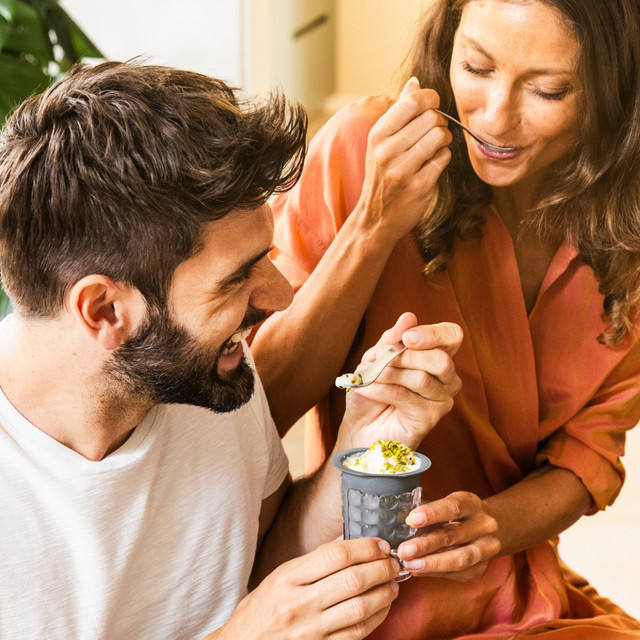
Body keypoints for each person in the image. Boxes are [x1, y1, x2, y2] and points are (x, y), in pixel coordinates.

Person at [0, 61, 463, 639]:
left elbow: (264, 560)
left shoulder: (203, 375)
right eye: (236, 278)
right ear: (105, 311)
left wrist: (360, 445)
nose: (281, 295)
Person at [251, 0, 640, 638]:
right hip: (349, 600)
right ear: (448, 42)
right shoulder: (362, 148)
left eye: (548, 90)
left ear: (612, 88)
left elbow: (588, 459)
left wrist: (493, 529)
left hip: (519, 598)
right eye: (477, 68)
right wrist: (375, 224)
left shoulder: (626, 227)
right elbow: (259, 404)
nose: (494, 117)